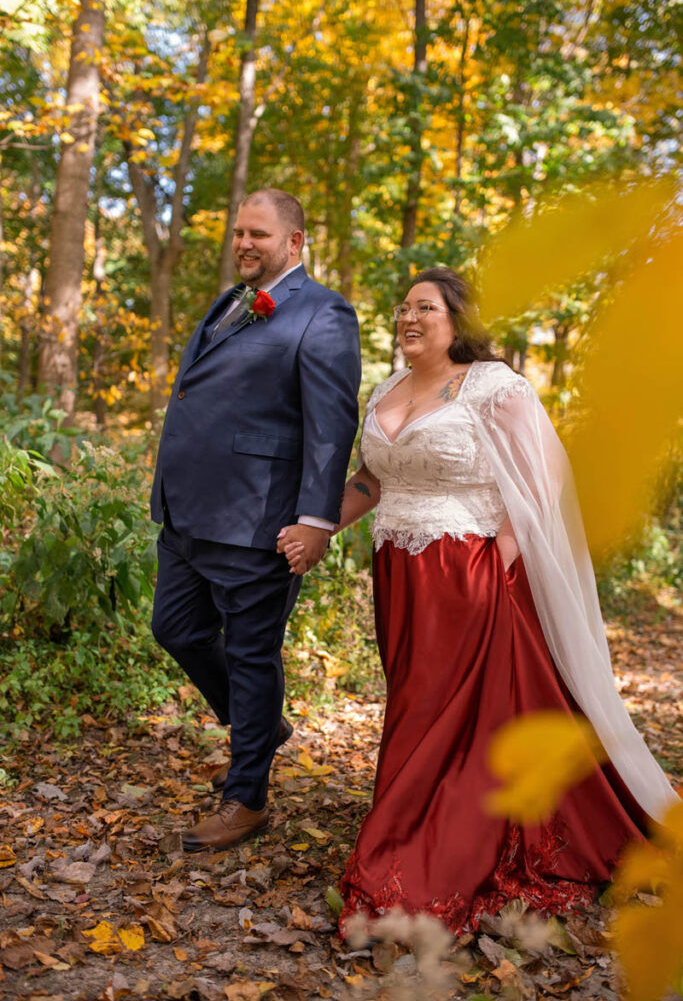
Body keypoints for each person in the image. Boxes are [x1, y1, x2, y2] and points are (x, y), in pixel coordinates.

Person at [279, 266, 677, 934]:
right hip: (400, 575)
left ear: (457, 321)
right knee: (415, 704)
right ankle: (414, 814)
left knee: (454, 714)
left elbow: (545, 473)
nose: (407, 318)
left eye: (423, 308)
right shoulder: (385, 389)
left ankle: (422, 844)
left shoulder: (496, 387)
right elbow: (374, 481)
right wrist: (317, 527)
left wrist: (503, 554)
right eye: (402, 308)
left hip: (468, 571)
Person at [150, 188, 361, 852]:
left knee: (249, 654)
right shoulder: (231, 300)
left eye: (259, 235)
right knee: (175, 628)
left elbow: (331, 423)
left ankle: (246, 797)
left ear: (294, 243)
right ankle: (261, 728)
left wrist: (316, 520)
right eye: (239, 231)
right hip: (187, 511)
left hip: (256, 518)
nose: (245, 243)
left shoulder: (323, 313)